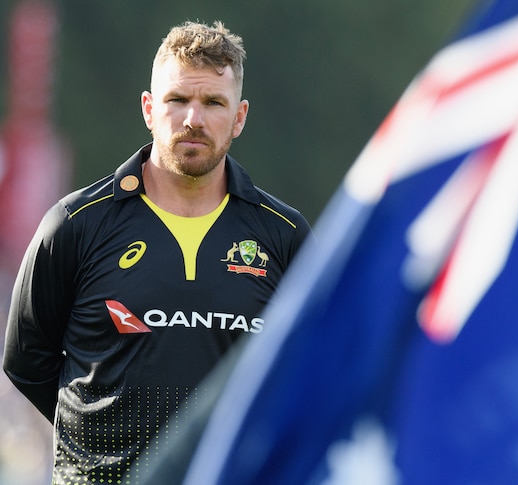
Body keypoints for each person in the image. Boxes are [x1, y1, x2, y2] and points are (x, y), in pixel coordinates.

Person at [2, 20, 312, 484]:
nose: (193, 119)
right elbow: (27, 359)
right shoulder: (76, 225)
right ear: (149, 108)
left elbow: (308, 367)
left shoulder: (283, 235)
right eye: (177, 100)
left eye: (213, 103)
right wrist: (99, 441)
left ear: (240, 116)